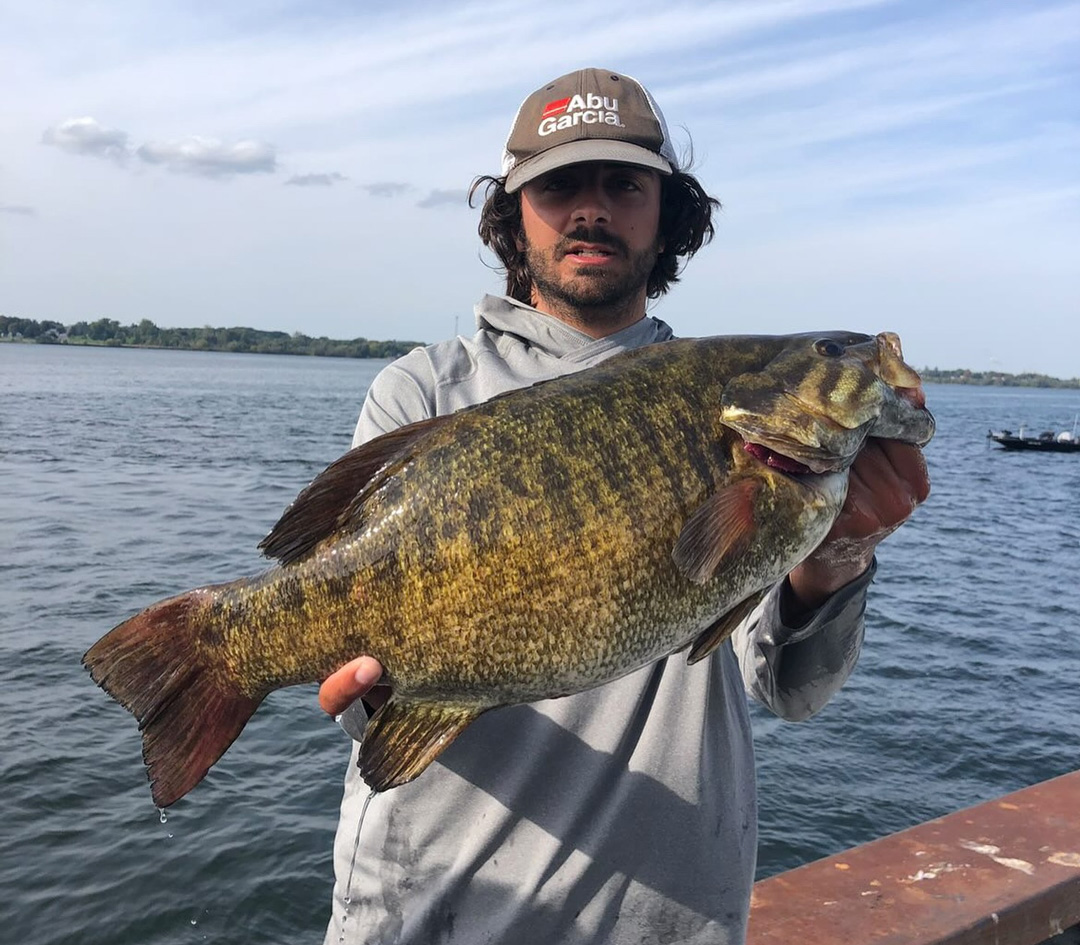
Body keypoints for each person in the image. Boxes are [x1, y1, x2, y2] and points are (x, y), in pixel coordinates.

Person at [318, 68, 930, 945]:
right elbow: (361, 683)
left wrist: (837, 557)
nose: (591, 209)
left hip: (674, 921)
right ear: (513, 212)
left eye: (624, 185)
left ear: (666, 214)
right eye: (559, 184)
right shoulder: (423, 391)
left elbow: (786, 687)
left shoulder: (732, 413)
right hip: (434, 916)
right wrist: (363, 696)